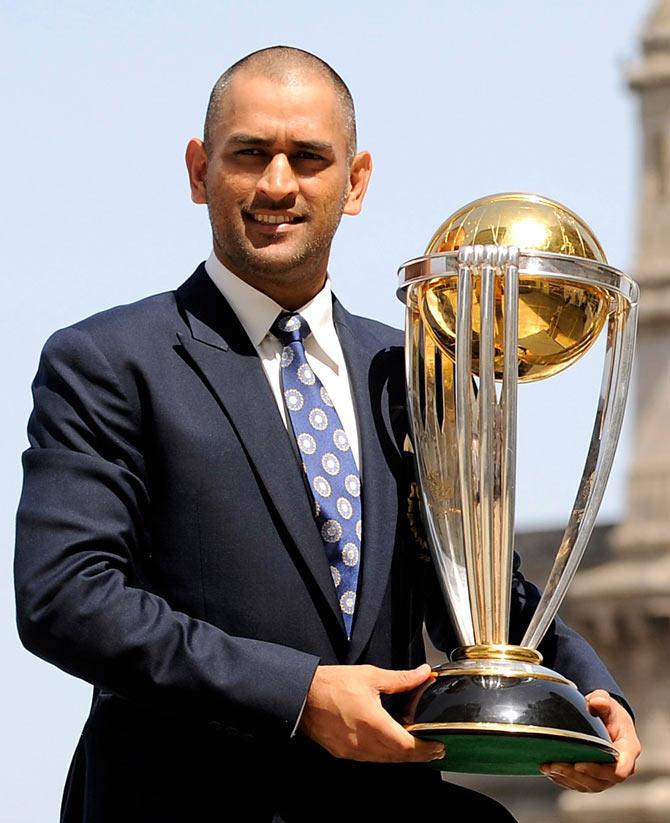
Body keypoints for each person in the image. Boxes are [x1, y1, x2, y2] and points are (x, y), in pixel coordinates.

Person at [14, 46, 640, 822]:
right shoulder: (110, 361)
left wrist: (587, 690)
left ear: (356, 181)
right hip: (177, 798)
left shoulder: (415, 369)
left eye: (308, 158)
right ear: (199, 170)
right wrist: (300, 694)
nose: (278, 183)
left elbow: (476, 593)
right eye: (250, 154)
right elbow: (66, 598)